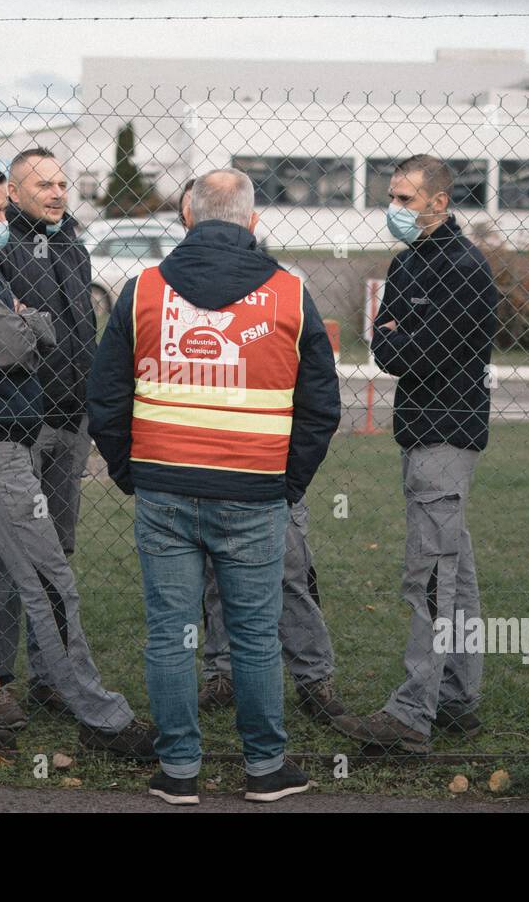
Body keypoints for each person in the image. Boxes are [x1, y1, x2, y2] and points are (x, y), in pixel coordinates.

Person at [88, 168, 341, 804]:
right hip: (255, 493)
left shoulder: (141, 290)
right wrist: (288, 484)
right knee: (256, 635)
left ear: (189, 218)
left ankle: (178, 771)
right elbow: (320, 407)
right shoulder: (290, 293)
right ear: (253, 222)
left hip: (164, 490)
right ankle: (264, 769)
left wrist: (129, 472)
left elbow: (107, 397)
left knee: (170, 631)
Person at [0, 161, 153, 757]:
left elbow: (27, 332)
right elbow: (15, 342)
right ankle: (102, 719)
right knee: (49, 580)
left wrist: (24, 319)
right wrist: (28, 322)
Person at [171, 180, 364, 738]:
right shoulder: (169, 287)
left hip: (267, 471)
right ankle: (224, 672)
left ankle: (313, 678)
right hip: (203, 466)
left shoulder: (277, 287)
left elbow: (318, 395)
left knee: (287, 571)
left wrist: (291, 479)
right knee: (212, 574)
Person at [359, 155, 497, 753]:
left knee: (431, 574)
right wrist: (399, 342)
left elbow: (422, 352)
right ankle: (458, 698)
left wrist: (400, 342)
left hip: (449, 432)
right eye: (392, 196)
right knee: (454, 570)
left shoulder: (466, 268)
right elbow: (385, 345)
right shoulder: (407, 261)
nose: (396, 208)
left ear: (440, 201)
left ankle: (413, 713)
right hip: (418, 430)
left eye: (407, 199)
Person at [0, 147, 95, 715]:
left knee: (57, 549)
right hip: (20, 425)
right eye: (43, 185)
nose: (57, 193)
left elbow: (85, 328)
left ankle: (50, 677)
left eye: (62, 183)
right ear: (12, 191)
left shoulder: (72, 244)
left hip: (70, 422)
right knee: (13, 554)